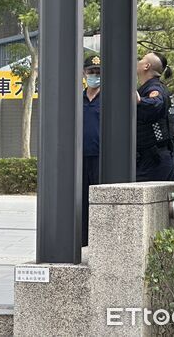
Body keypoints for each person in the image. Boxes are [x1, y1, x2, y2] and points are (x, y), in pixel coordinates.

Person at [136, 52, 174, 181]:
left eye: (141, 59)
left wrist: (139, 101)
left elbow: (155, 104)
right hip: (151, 158)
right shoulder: (149, 88)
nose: (138, 61)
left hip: (153, 161)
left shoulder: (155, 88)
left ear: (146, 66)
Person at [82, 54, 100, 247]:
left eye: (98, 72)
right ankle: (82, 240)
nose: (94, 75)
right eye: (91, 71)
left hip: (99, 158)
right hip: (80, 158)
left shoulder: (107, 98)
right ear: (84, 73)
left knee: (98, 201)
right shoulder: (77, 98)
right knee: (81, 201)